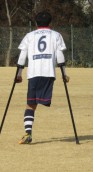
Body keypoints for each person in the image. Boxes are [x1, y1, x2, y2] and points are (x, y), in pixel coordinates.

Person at [15, 11, 69, 144]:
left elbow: (22, 57)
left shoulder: (29, 36)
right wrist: (64, 73)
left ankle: (28, 133)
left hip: (33, 73)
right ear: (50, 23)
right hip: (48, 73)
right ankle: (28, 134)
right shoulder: (56, 35)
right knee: (39, 102)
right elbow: (60, 56)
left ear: (36, 23)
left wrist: (18, 74)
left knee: (30, 104)